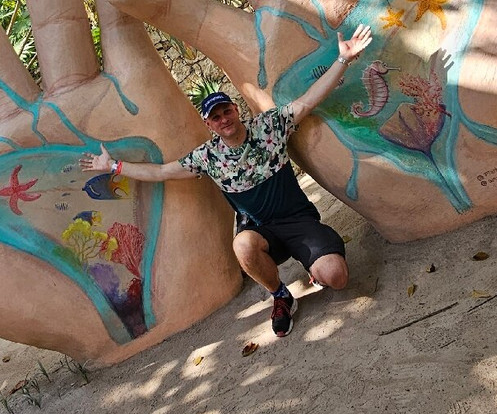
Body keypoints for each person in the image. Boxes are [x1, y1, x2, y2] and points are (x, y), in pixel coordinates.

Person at [81, 24, 374, 337]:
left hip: (298, 220)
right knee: (242, 245)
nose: (224, 120)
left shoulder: (269, 127)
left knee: (338, 278)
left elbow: (307, 101)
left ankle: (316, 267)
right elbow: (162, 172)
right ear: (210, 124)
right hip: (261, 232)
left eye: (226, 111)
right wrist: (112, 165)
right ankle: (281, 295)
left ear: (235, 109)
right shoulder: (207, 157)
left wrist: (343, 60)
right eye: (216, 117)